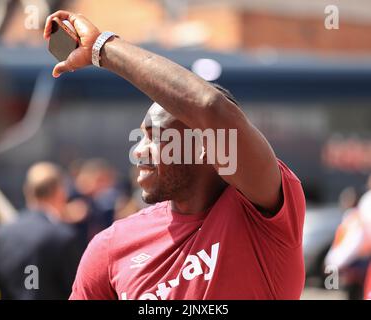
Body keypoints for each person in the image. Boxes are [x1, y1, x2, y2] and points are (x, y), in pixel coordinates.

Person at [44, 11, 306, 300]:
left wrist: (101, 48)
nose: (139, 151)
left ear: (209, 144)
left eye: (157, 137)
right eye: (142, 136)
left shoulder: (264, 216)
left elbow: (211, 107)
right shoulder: (112, 246)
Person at [0, 162, 83, 300]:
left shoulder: (2, 235)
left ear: (27, 191)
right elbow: (77, 291)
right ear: (60, 192)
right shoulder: (62, 236)